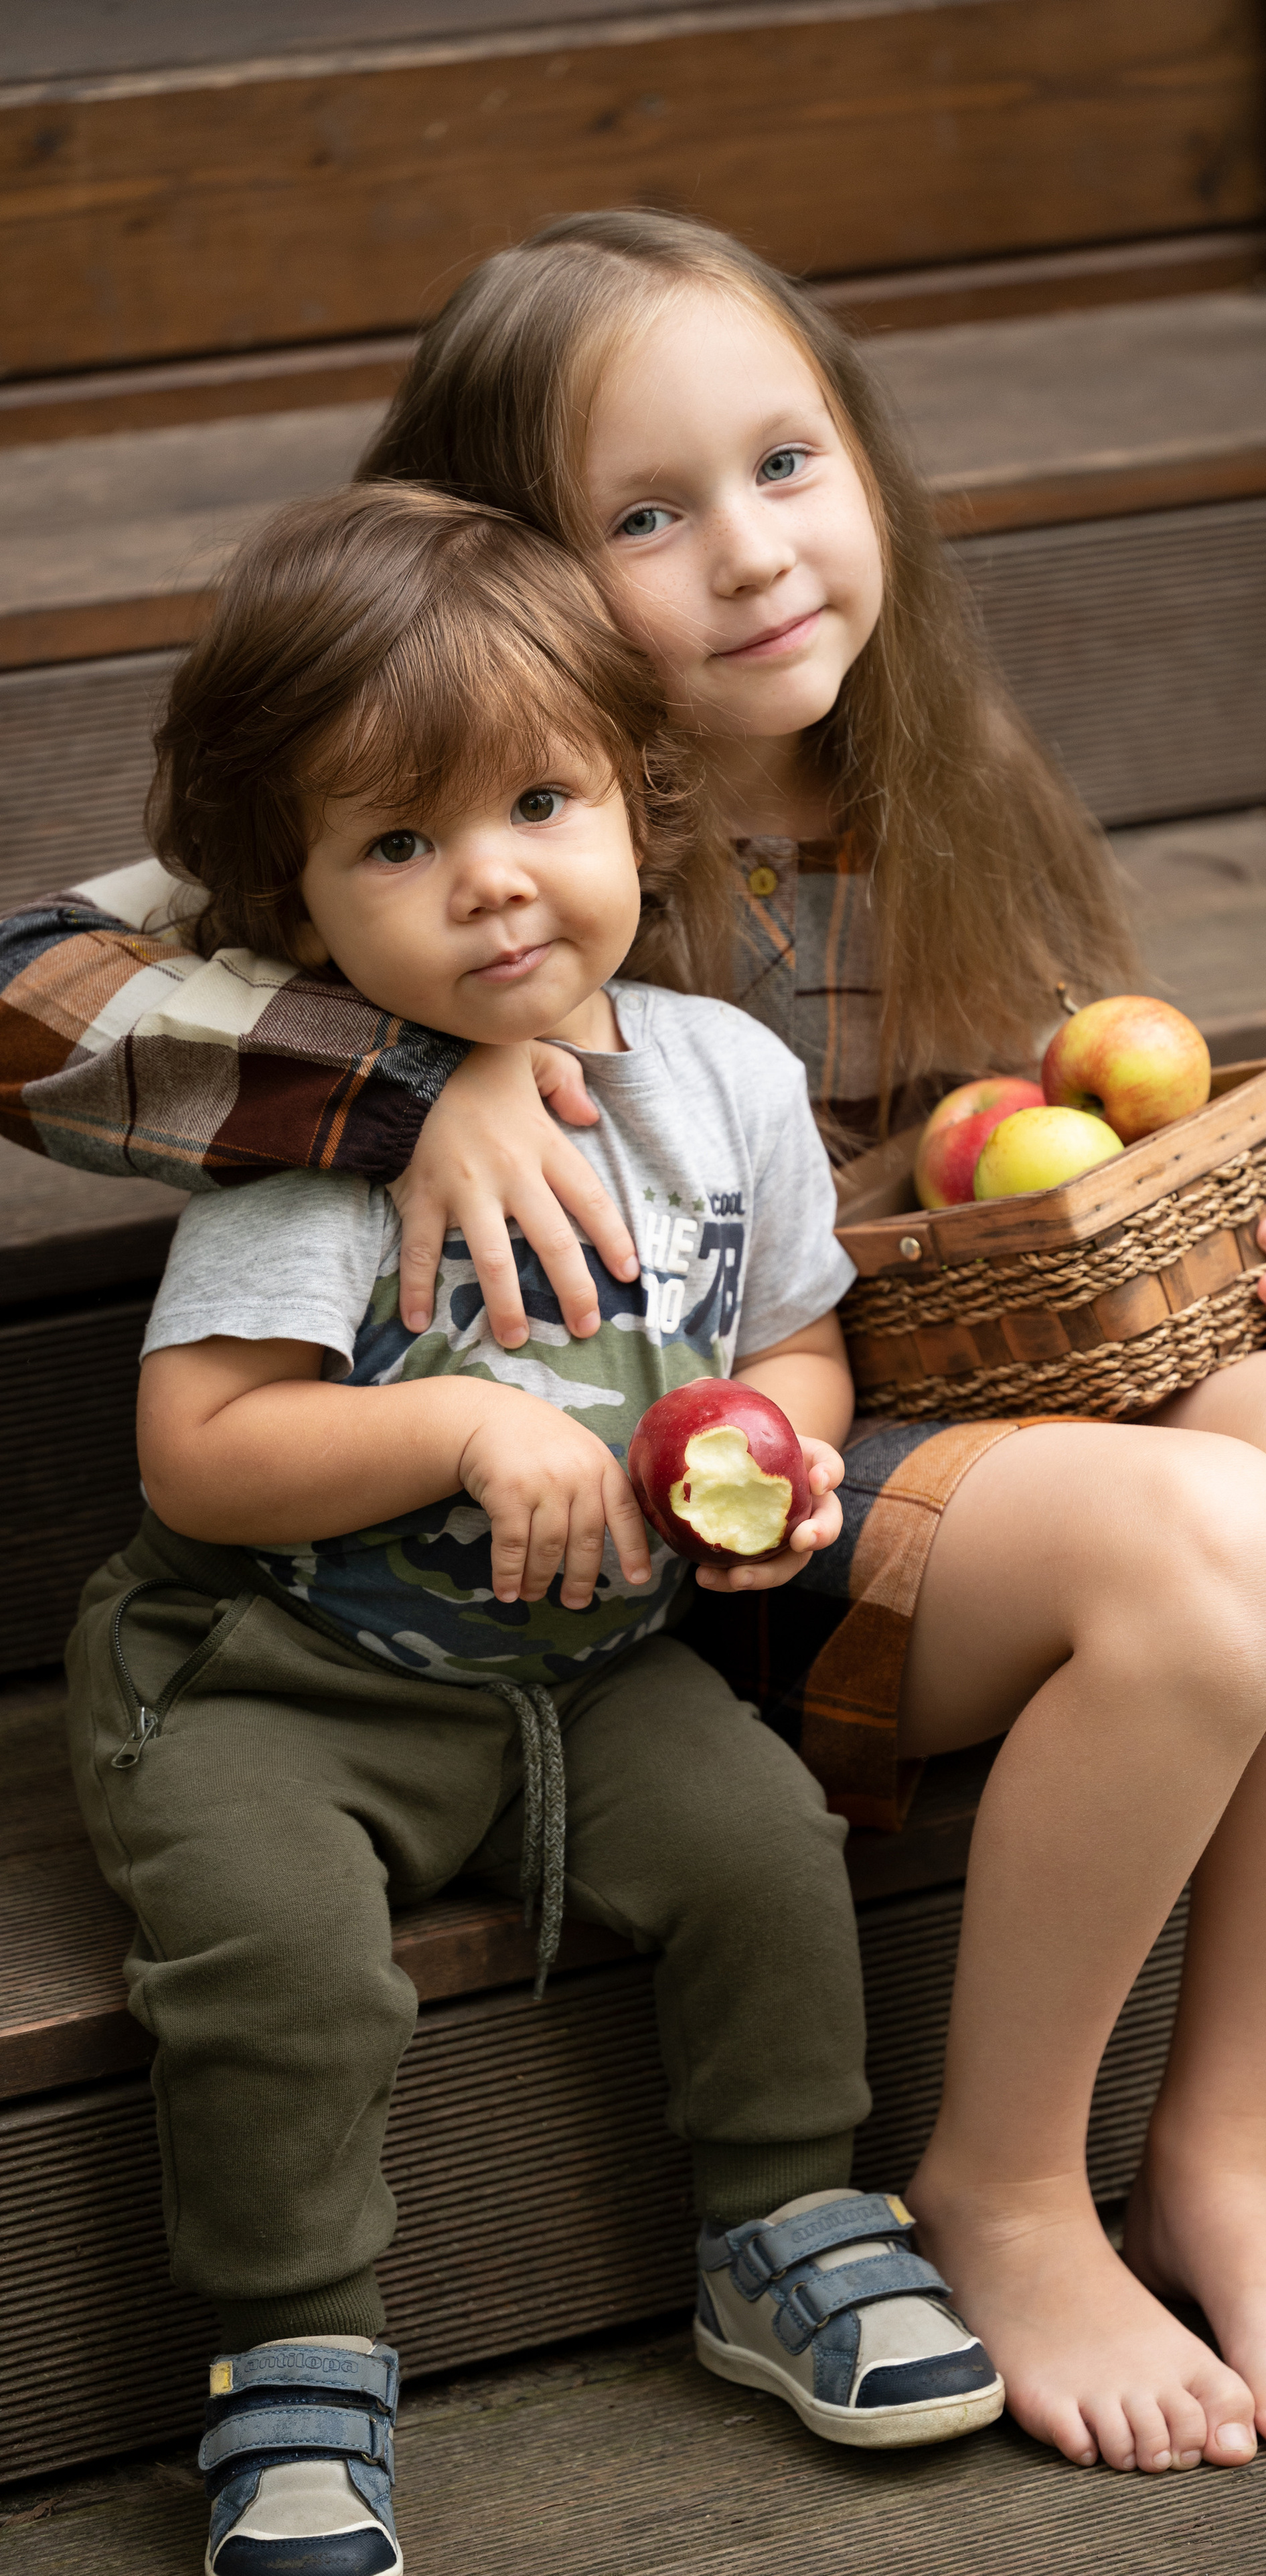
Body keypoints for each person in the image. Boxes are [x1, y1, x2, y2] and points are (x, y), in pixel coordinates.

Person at [6, 210, 1266, 2482]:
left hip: (898, 1447)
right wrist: (400, 1079)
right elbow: (31, 992)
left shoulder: (924, 781)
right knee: (1200, 1547)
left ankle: (1223, 2154)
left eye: (788, 463)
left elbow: (1002, 1203)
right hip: (673, 1571)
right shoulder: (467, 852)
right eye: (647, 515)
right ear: (514, 566)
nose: (754, 554)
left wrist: (1260, 1291)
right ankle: (996, 2182)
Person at [64, 483, 1008, 2576]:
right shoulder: (319, 1142)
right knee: (282, 1959)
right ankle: (292, 2358)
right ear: (300, 908)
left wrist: (772, 1447)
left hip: (588, 1667)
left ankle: (781, 2218)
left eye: (539, 802)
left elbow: (811, 1343)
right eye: (397, 846)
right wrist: (466, 1425)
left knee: (773, 1846)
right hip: (276, 1682)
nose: (490, 885)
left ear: (640, 809)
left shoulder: (726, 1079)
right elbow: (202, 1456)